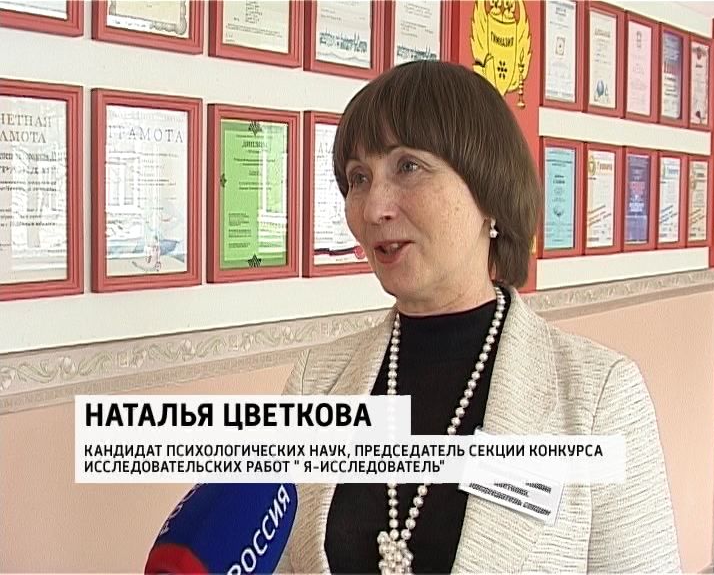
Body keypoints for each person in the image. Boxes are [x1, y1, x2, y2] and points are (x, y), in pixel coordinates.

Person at [278, 61, 680, 574]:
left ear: (488, 193)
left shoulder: (599, 396)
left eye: (408, 167)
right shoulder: (316, 382)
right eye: (359, 177)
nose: (374, 207)